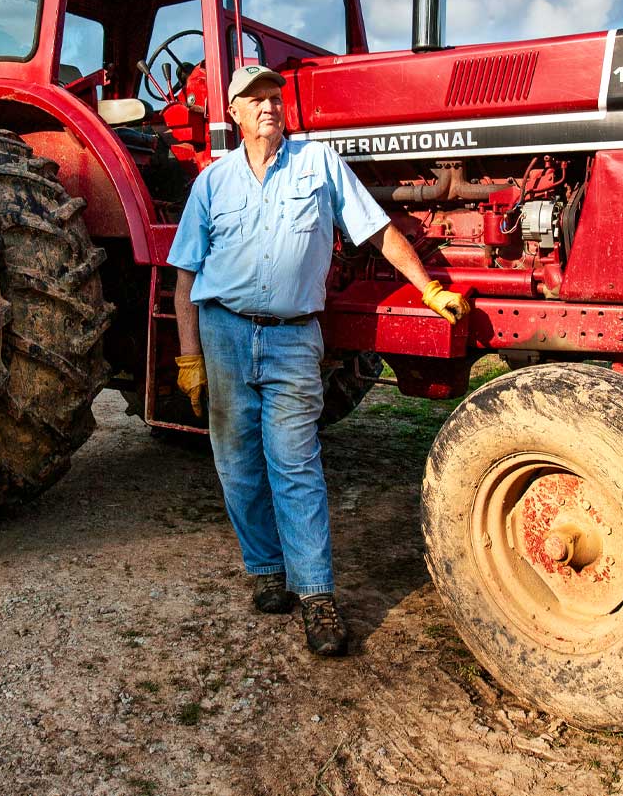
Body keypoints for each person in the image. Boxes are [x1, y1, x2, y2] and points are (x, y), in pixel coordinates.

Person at [166, 64, 470, 657]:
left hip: (293, 338)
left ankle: (316, 594)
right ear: (234, 114)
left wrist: (428, 288)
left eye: (274, 97)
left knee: (295, 464)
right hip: (224, 332)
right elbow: (185, 278)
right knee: (235, 464)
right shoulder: (212, 184)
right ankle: (266, 568)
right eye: (254, 100)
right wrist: (189, 359)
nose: (268, 106)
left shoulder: (319, 164)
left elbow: (376, 233)